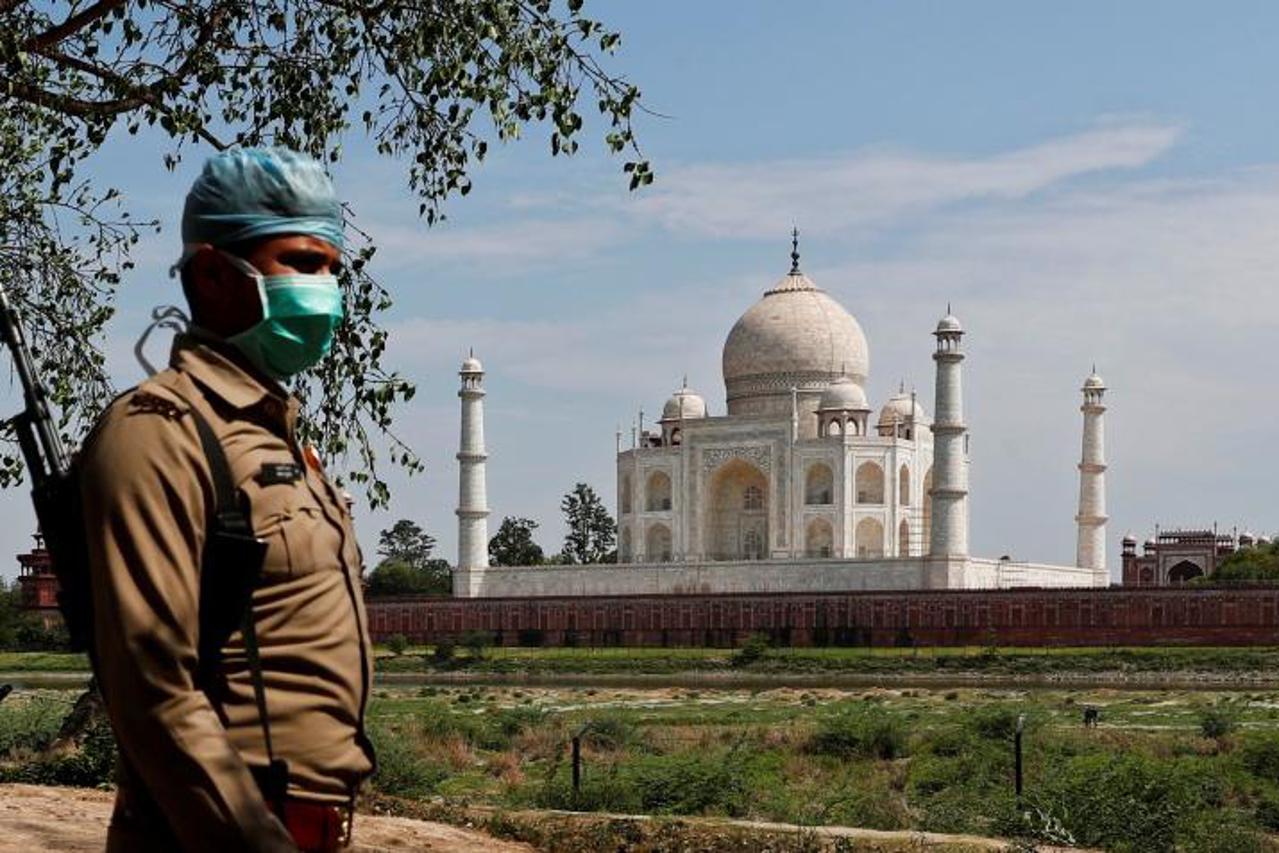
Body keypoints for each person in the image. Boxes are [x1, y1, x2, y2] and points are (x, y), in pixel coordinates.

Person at [80, 148, 375, 852]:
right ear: (213, 272)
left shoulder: (274, 438)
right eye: (303, 264)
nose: (326, 288)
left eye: (334, 269)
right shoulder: (160, 432)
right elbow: (153, 687)